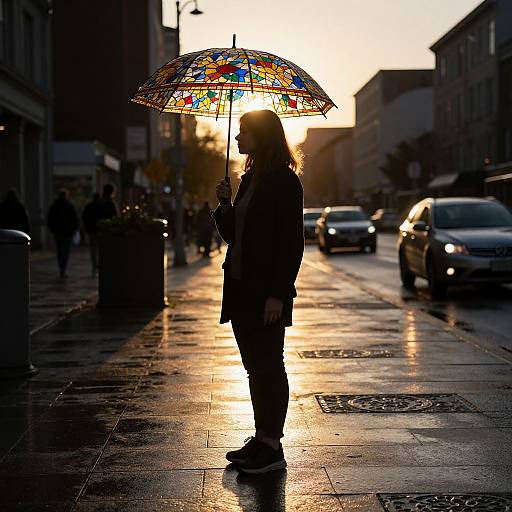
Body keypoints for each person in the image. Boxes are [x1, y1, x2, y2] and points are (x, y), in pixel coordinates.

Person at [212, 109, 304, 475]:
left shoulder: (284, 181)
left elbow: (291, 243)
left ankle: (272, 445)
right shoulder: (249, 179)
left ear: (262, 136)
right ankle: (261, 436)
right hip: (240, 290)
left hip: (266, 293)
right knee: (255, 368)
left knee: (269, 365)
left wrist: (278, 294)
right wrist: (224, 205)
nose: (237, 138)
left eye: (244, 132)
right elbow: (234, 237)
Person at [47, 189, 79, 278]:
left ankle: (61, 267)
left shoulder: (54, 206)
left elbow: (50, 218)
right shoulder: (69, 206)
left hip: (58, 232)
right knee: (65, 250)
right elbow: (75, 219)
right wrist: (75, 229)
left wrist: (52, 229)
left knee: (60, 250)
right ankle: (62, 268)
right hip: (67, 232)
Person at [82, 193, 101, 276]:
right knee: (100, 248)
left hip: (91, 230)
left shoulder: (89, 206)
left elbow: (84, 217)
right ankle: (98, 265)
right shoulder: (101, 206)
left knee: (93, 249)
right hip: (100, 230)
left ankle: (94, 265)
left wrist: (87, 227)